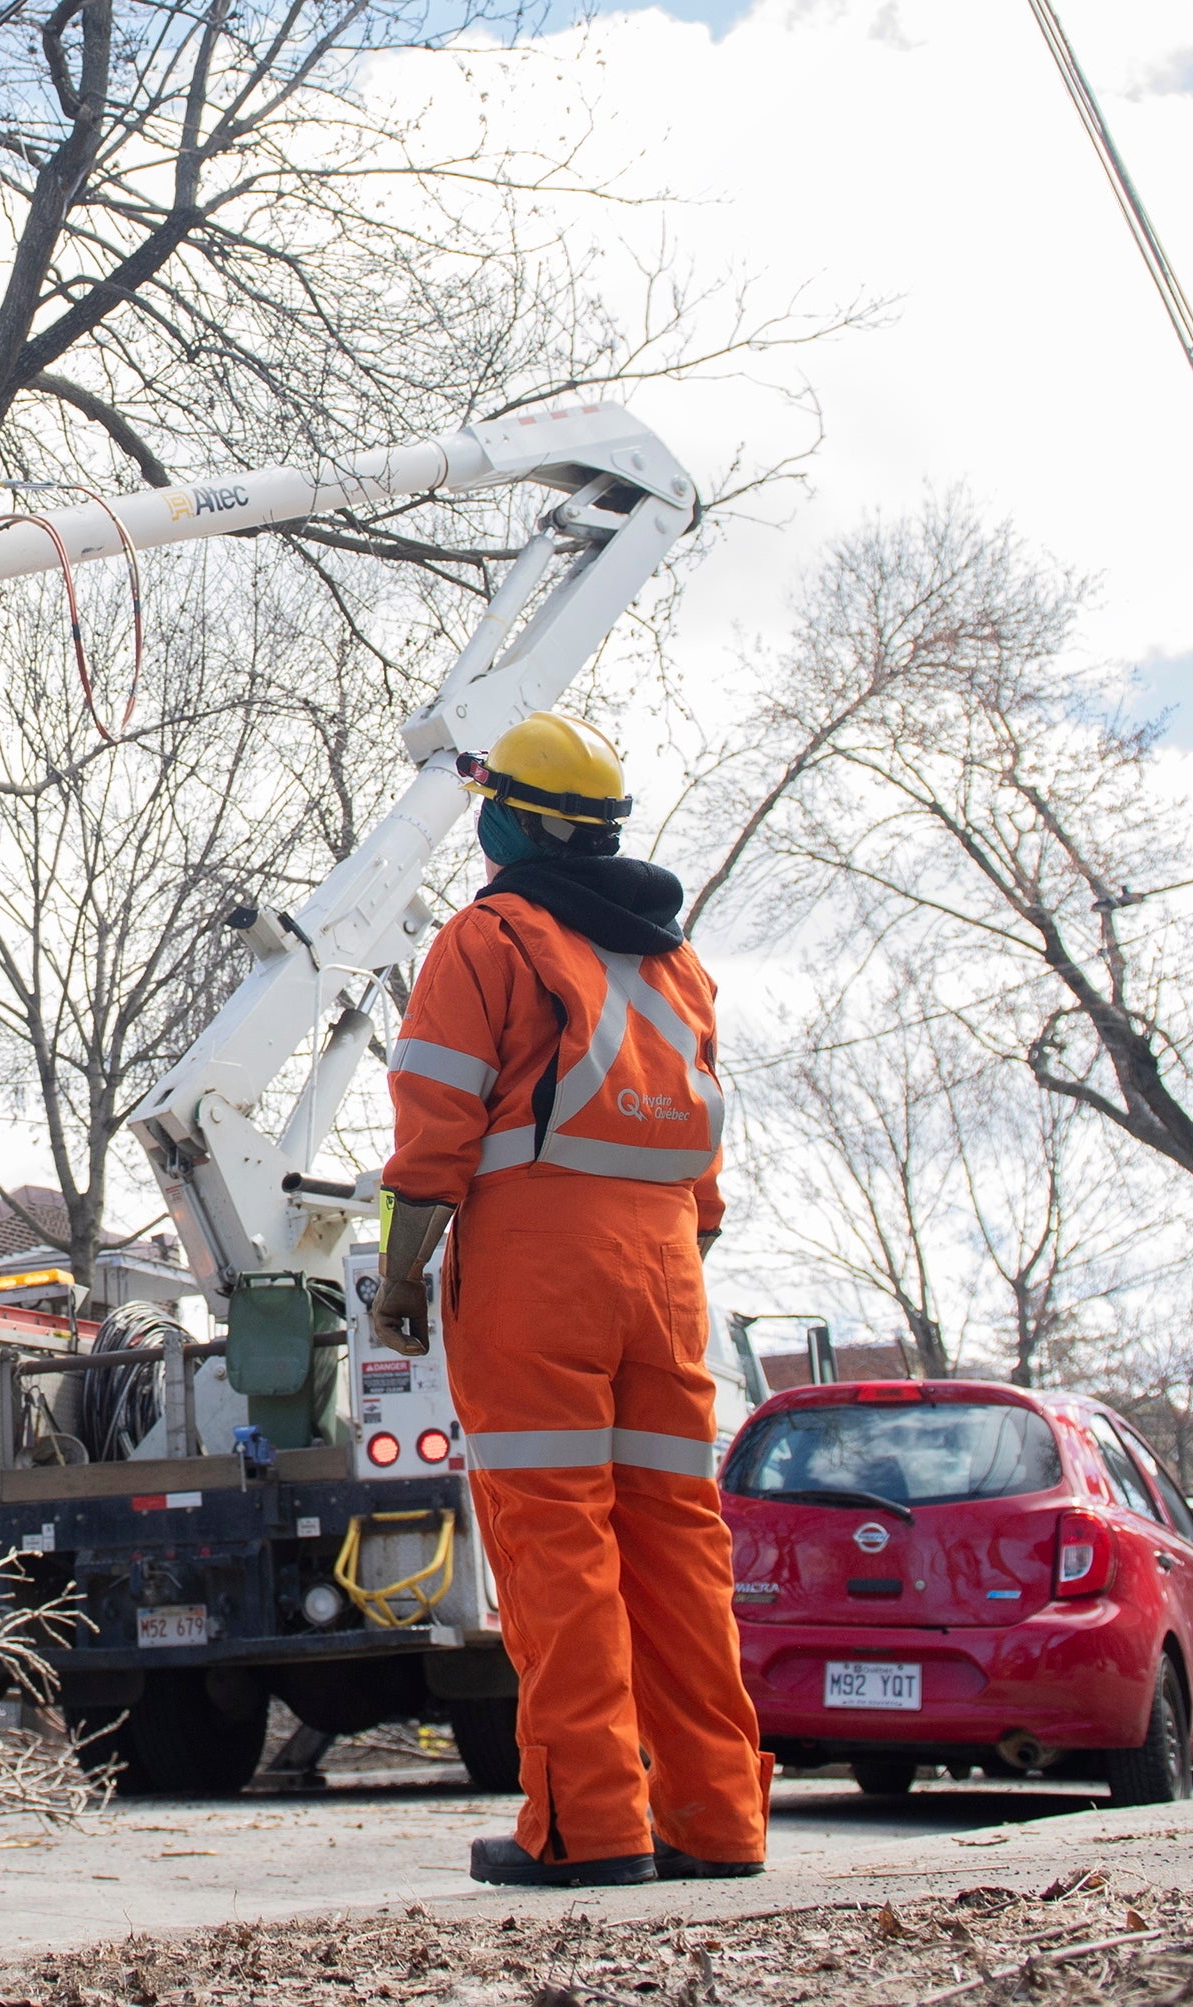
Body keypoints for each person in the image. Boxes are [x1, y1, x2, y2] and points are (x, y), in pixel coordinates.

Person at [369, 712, 769, 1889]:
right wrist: (672, 1262)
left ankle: (586, 1828)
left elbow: (433, 1134)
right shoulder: (676, 963)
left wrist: (399, 1279)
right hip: (666, 1275)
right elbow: (701, 1172)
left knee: (556, 1544)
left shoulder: (490, 936)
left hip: (541, 1270)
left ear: (510, 821)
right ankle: (716, 1819)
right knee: (677, 1546)